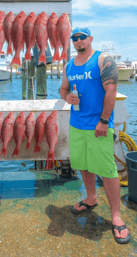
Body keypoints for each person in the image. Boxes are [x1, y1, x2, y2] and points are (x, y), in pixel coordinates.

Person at [59, 27, 130, 244]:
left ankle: (116, 216)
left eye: (82, 37)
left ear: (90, 39)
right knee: (83, 164)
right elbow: (62, 89)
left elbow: (111, 91)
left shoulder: (103, 60)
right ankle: (91, 197)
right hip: (76, 125)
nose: (78, 41)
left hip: (98, 125)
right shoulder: (69, 65)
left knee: (108, 170)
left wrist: (103, 121)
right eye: (75, 38)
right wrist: (68, 97)